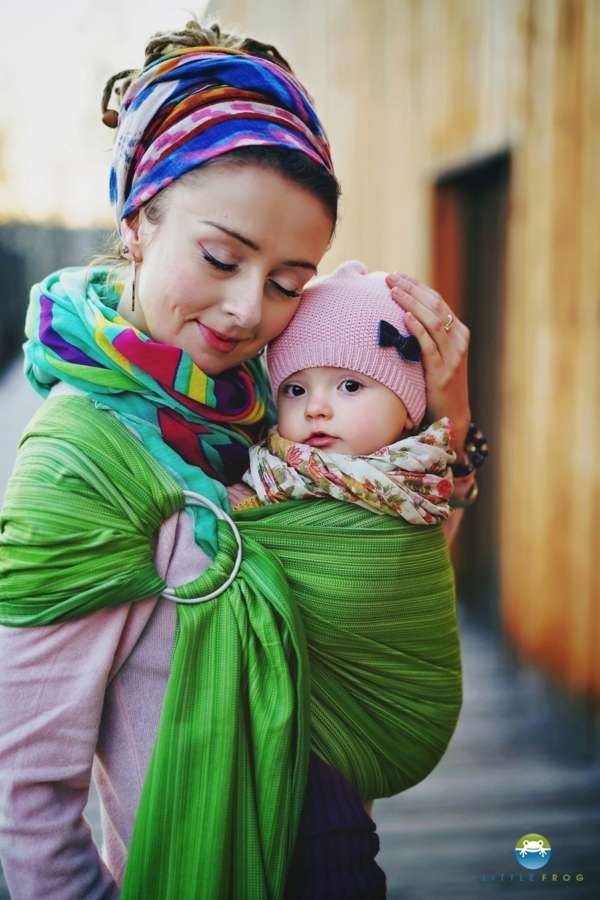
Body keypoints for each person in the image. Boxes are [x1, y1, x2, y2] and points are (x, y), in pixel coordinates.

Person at [0, 18, 477, 900]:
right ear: (140, 221)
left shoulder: (281, 395)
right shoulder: (84, 463)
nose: (247, 310)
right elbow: (28, 798)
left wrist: (449, 416)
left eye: (291, 281)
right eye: (221, 257)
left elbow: (382, 578)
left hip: (338, 858)